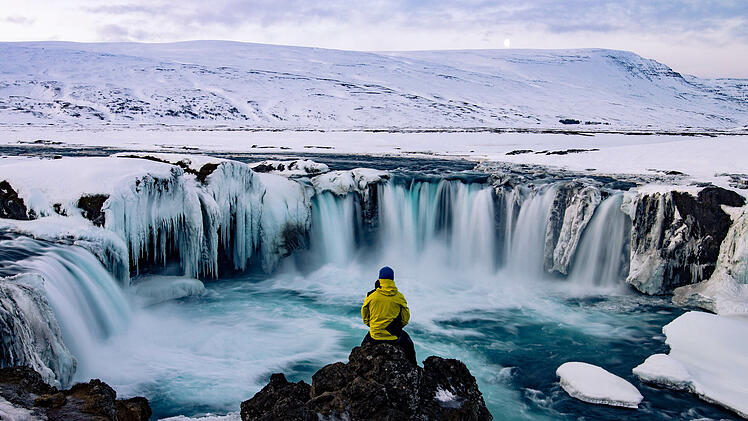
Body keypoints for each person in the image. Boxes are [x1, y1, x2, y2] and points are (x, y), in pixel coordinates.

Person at [360, 266, 417, 365]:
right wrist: (397, 327)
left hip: (375, 336)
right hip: (393, 338)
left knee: (363, 347)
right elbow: (405, 318)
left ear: (379, 279)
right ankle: (413, 366)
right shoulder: (399, 297)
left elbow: (365, 315)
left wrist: (373, 325)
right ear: (392, 279)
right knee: (409, 345)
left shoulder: (371, 296)